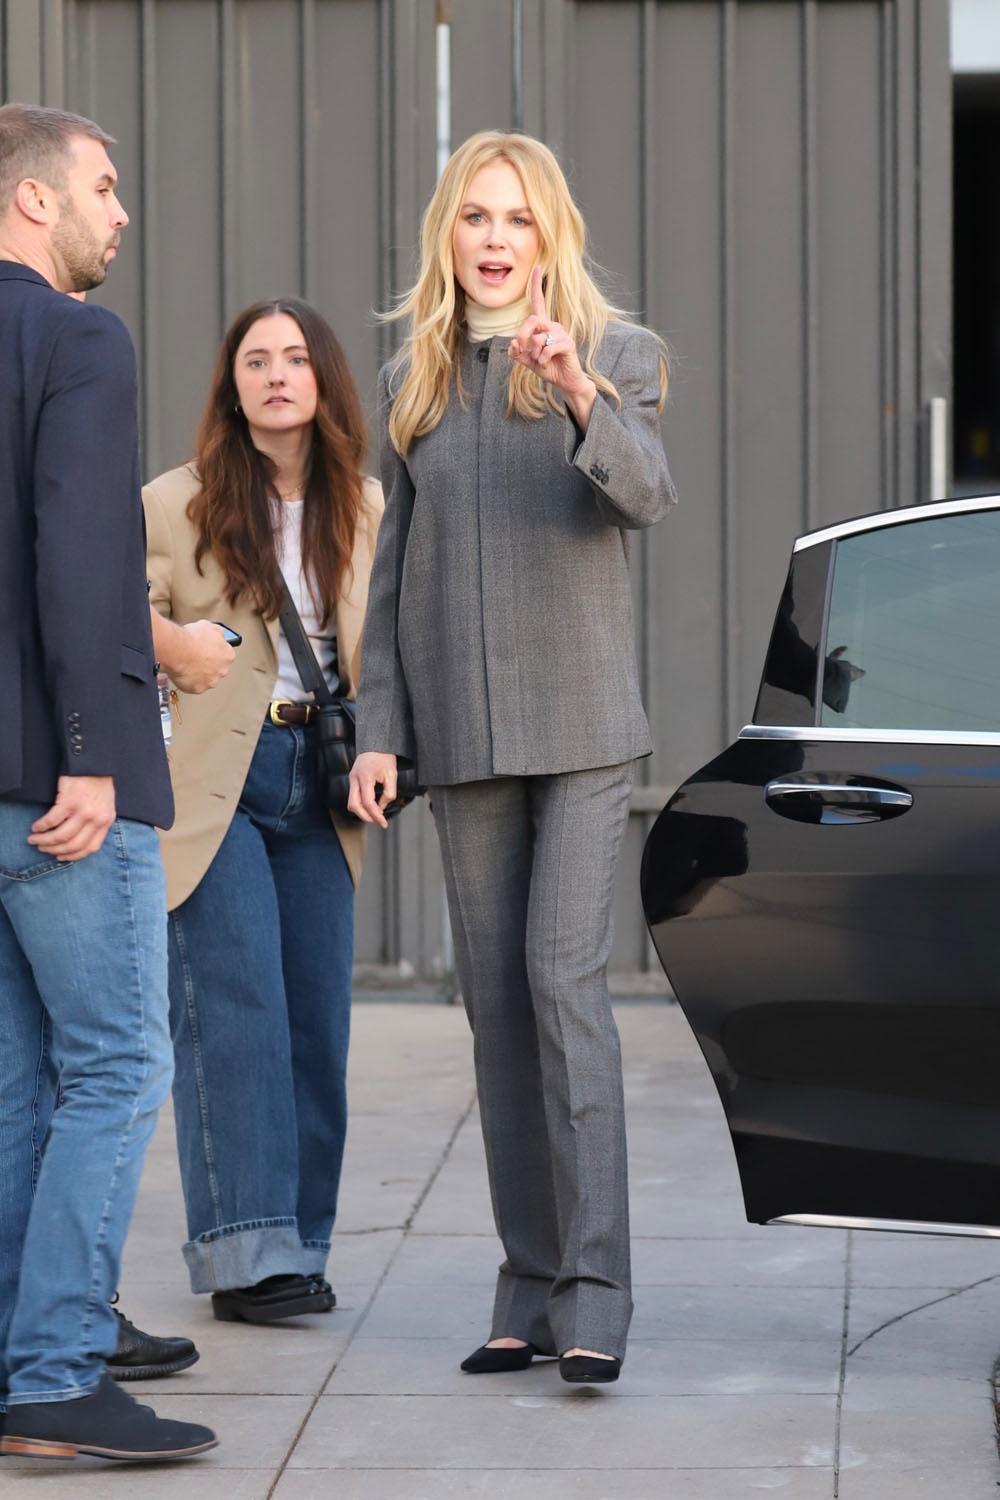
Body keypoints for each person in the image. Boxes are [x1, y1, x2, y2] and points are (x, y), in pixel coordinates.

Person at [349, 130, 676, 1385]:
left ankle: (596, 1295)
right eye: (476, 217)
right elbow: (394, 574)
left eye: (517, 219)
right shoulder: (413, 377)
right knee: (494, 1011)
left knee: (559, 987)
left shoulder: (618, 354)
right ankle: (528, 1289)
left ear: (550, 237)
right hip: (461, 731)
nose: (495, 240)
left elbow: (644, 495)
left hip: (580, 725)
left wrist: (578, 388)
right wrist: (380, 731)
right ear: (450, 233)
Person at [0, 102, 216, 1461]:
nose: (120, 212)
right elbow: (80, 553)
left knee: (19, 1083)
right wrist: (90, 751)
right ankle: (55, 1370)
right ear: (34, 198)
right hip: (59, 780)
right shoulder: (77, 338)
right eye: (103, 186)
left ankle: (18, 1362)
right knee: (119, 1065)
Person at [144, 298, 383, 1324]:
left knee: (315, 1025)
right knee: (234, 1013)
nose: (276, 375)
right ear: (231, 384)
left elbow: (390, 645)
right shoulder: (174, 501)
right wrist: (177, 654)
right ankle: (248, 1258)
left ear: (323, 380)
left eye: (294, 358)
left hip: (318, 776)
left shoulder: (366, 505)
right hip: (214, 778)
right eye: (255, 360)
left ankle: (299, 1246)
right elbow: (116, 613)